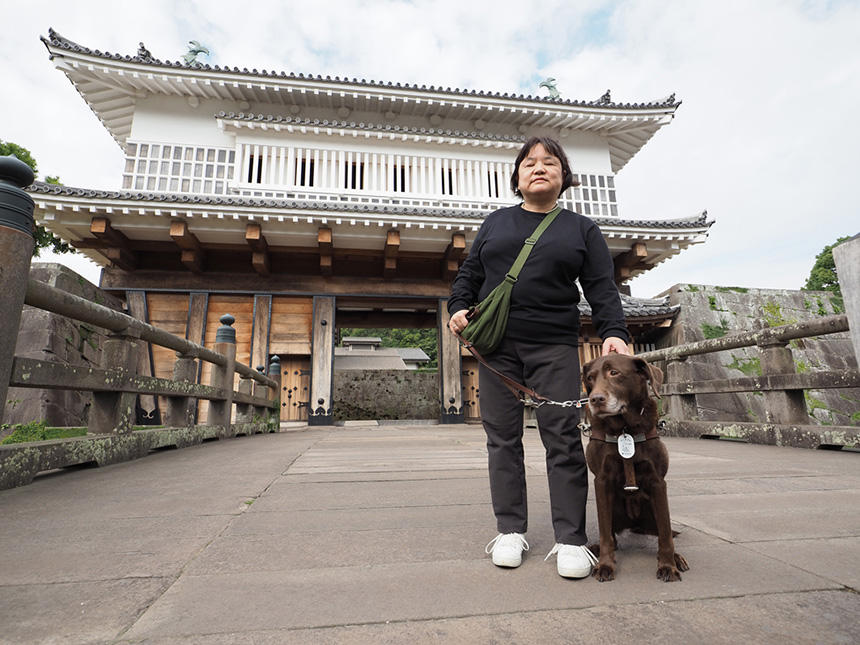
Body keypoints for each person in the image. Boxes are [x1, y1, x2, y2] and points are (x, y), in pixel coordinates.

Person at [447, 136, 631, 579]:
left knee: (563, 438)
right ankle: (510, 529)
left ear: (563, 177)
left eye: (550, 162)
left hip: (553, 344)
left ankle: (570, 538)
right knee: (502, 439)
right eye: (529, 163)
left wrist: (614, 334)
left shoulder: (582, 229)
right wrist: (457, 305)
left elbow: (602, 287)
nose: (539, 168)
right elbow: (470, 274)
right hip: (496, 346)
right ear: (517, 177)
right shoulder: (495, 223)